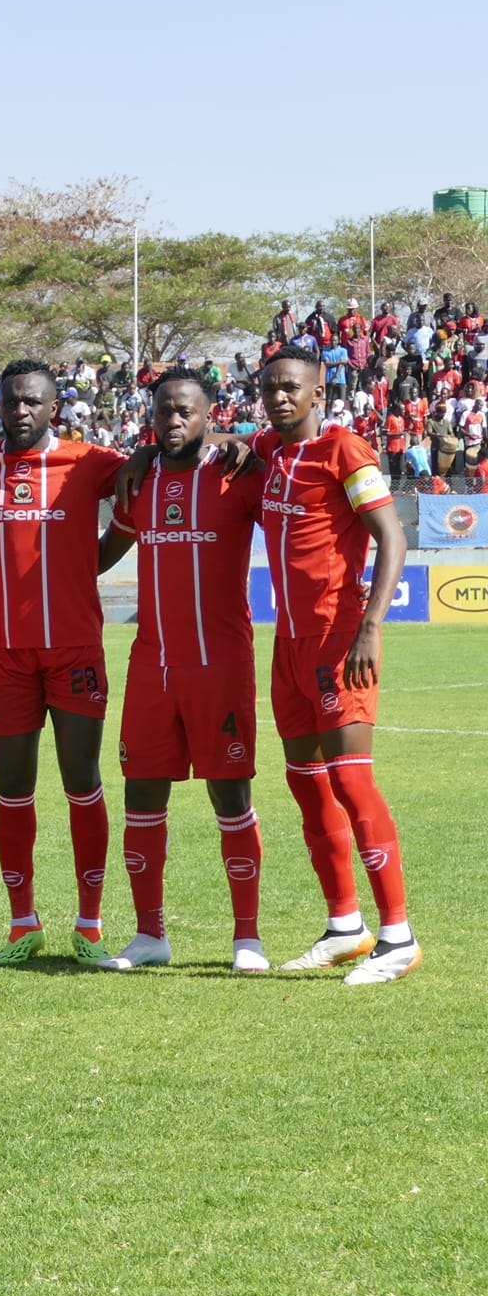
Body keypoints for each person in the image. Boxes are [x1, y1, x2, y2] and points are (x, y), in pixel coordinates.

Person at [0, 360, 126, 964]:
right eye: (10, 401)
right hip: (7, 655)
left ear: (55, 408)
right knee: (13, 787)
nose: (19, 411)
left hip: (76, 649)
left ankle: (90, 925)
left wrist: (90, 560)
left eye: (32, 402)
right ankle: (23, 925)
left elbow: (152, 474)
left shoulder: (90, 462)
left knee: (82, 783)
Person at [249, 346, 419, 983]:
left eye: (291, 387)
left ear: (319, 392)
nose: (279, 397)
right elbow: (230, 436)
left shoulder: (344, 450)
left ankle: (398, 936)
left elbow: (391, 535)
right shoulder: (272, 451)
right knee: (306, 783)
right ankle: (345, 925)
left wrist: (371, 628)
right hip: (288, 647)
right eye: (270, 388)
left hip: (337, 639)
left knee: (351, 782)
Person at [93, 368, 269, 974]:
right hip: (152, 665)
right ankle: (149, 935)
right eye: (163, 411)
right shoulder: (136, 482)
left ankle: (247, 936)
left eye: (186, 411)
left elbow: (284, 461)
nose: (173, 421)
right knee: (142, 792)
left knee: (230, 793)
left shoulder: (237, 473)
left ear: (208, 414)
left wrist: (236, 439)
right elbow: (99, 555)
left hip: (220, 666)